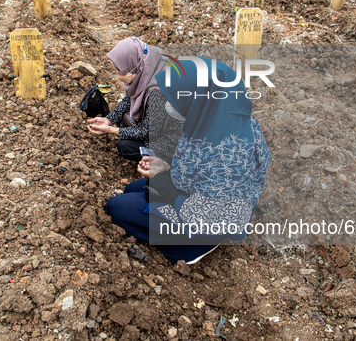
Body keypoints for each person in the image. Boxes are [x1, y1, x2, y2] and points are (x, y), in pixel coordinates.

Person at [106, 57, 271, 264]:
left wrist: (160, 179)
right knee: (132, 190)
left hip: (209, 218)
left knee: (116, 207)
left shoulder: (225, 154)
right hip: (204, 196)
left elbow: (198, 212)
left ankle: (191, 247)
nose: (169, 104)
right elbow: (197, 163)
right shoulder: (220, 117)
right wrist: (167, 165)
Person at [87, 37, 173, 162]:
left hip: (172, 141)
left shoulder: (158, 92)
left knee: (125, 147)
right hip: (157, 125)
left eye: (121, 72)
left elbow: (148, 132)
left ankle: (161, 162)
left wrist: (111, 130)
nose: (118, 76)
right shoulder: (146, 64)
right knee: (124, 120)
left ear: (135, 66)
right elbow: (128, 101)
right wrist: (108, 120)